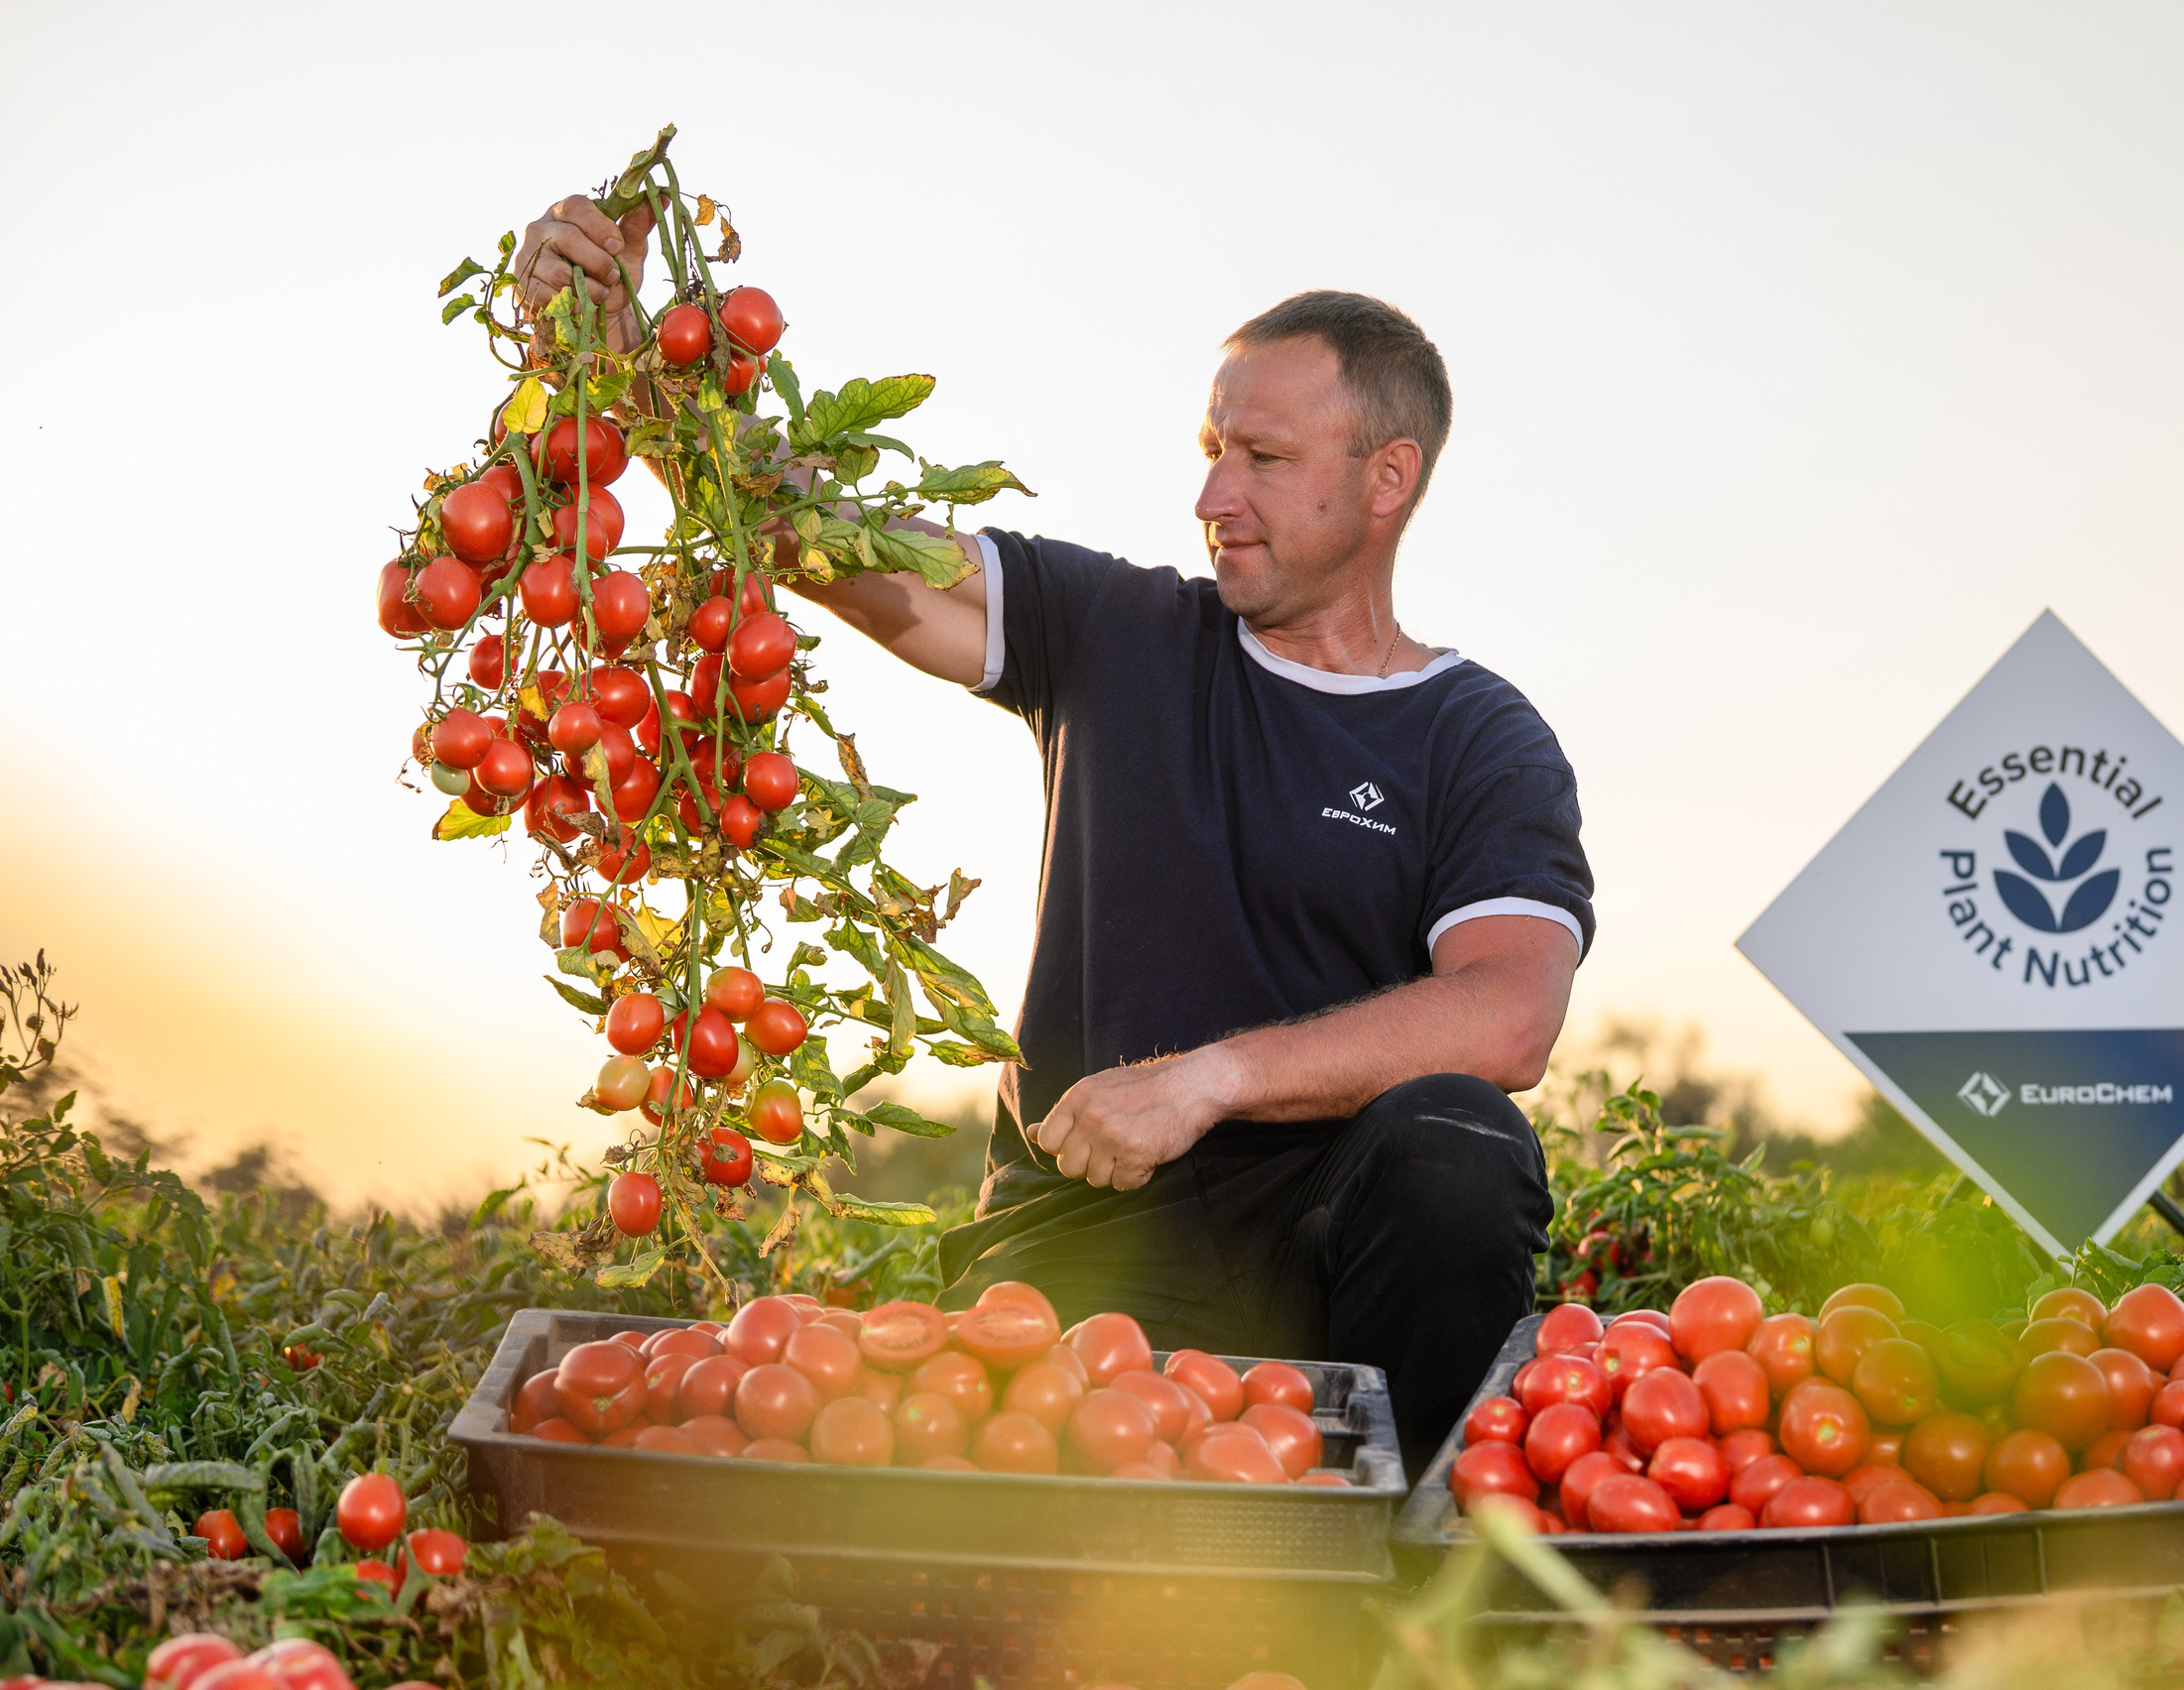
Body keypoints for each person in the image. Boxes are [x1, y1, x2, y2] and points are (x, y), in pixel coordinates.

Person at [518, 195, 1595, 1470]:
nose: (1212, 493)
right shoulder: (1117, 634)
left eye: (1262, 457)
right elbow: (812, 531)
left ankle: (1406, 1551)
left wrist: (1205, 1080)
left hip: (1330, 1242)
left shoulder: (1476, 737)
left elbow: (1507, 1016)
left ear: (1387, 478)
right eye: (1211, 448)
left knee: (1462, 1149)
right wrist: (628, 355)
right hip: (1087, 1227)